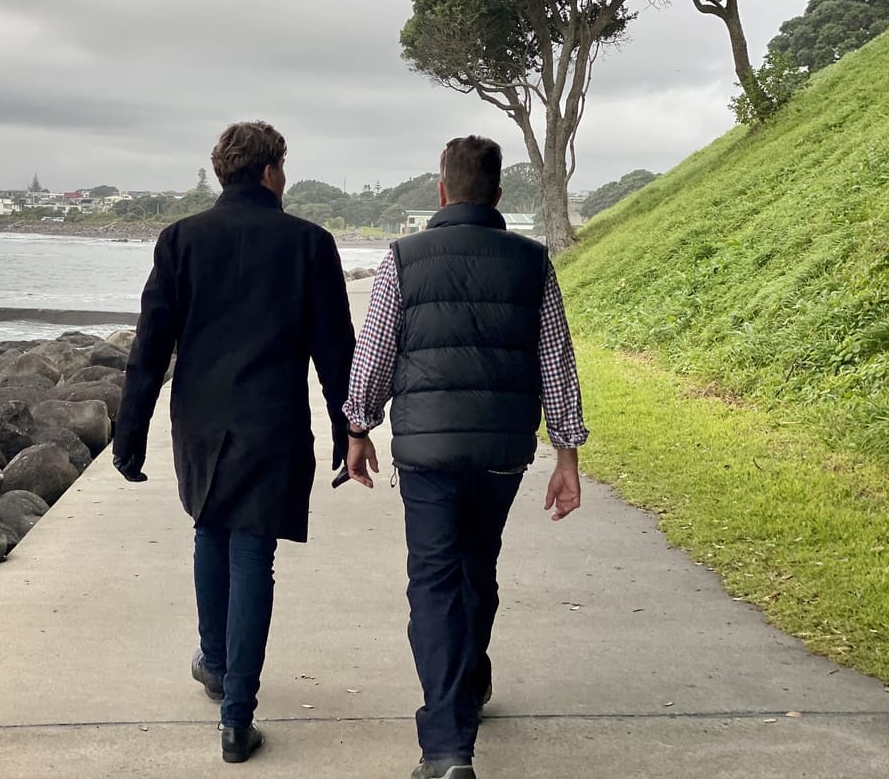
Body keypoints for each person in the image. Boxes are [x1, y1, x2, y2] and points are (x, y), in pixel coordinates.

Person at [342, 136, 588, 779]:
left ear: (441, 191)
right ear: (498, 195)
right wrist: (567, 455)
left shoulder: (404, 257)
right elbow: (556, 362)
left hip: (426, 452)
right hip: (502, 451)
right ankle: (469, 686)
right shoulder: (532, 261)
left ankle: (447, 747)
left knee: (434, 583)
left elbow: (375, 351)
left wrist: (359, 427)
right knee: (478, 569)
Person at [113, 121, 355, 764]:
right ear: (273, 171)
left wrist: (128, 431)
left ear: (224, 171)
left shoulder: (181, 240)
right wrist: (347, 427)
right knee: (252, 553)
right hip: (271, 420)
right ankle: (235, 716)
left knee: (208, 530)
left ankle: (217, 662)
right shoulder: (309, 243)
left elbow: (150, 347)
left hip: (199, 421)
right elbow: (336, 353)